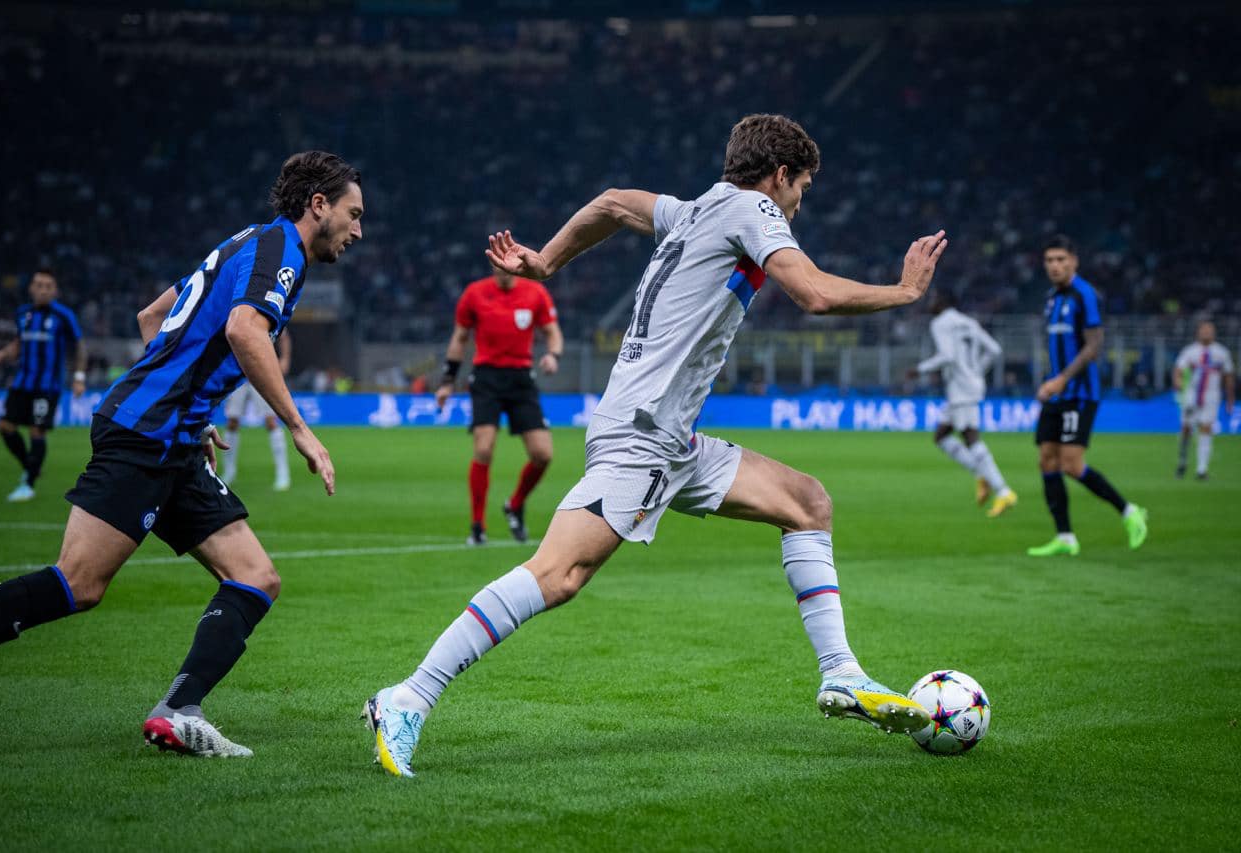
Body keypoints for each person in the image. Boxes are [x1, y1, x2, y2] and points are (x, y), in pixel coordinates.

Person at [364, 114, 947, 778]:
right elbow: (811, 293)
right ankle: (406, 696)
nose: (798, 203)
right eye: (802, 186)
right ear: (780, 175)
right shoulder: (755, 208)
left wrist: (547, 261)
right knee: (559, 574)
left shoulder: (692, 208)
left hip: (670, 440)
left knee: (807, 501)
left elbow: (613, 203)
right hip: (641, 440)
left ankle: (842, 672)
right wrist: (903, 292)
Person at [0, 151, 361, 757]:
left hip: (171, 437)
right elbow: (244, 332)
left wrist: (189, 409)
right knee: (79, 583)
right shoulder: (280, 253)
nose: (359, 230)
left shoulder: (246, 242)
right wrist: (300, 429)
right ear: (319, 205)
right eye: (354, 215)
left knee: (256, 577)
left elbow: (153, 316)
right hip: (145, 435)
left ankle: (178, 711)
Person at [1028, 235, 1147, 557]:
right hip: (1056, 392)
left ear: (1073, 261)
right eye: (1049, 260)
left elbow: (1094, 345)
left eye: (1061, 260)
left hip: (1079, 394)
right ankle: (1065, 537)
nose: (1055, 265)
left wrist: (1062, 381)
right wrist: (1050, 382)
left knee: (1071, 464)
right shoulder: (1051, 298)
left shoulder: (1085, 295)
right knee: (1046, 460)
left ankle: (1130, 511)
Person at [435, 264, 563, 545]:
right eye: (497, 264)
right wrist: (447, 381)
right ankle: (477, 526)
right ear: (492, 265)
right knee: (483, 448)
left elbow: (552, 332)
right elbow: (459, 338)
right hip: (487, 379)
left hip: (521, 379)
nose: (503, 270)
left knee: (543, 454)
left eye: (508, 265)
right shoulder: (475, 294)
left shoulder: (536, 293)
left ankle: (515, 504)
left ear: (516, 265)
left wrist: (553, 355)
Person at [912, 294, 1017, 516]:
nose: (930, 303)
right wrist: (976, 370)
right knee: (941, 436)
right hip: (969, 385)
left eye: (933, 300)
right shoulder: (968, 322)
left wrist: (920, 369)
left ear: (943, 303)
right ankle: (982, 476)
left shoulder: (940, 322)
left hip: (961, 390)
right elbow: (995, 349)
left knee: (971, 438)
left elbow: (947, 356)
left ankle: (1003, 491)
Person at [0, 269, 86, 502]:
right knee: (5, 426)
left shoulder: (64, 316)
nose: (43, 289)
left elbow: (79, 345)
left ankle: (28, 485)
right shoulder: (23, 314)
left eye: (48, 285)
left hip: (47, 386)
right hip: (22, 382)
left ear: (55, 290)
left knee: (36, 430)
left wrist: (79, 377)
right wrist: (2, 355)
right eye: (39, 284)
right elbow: (18, 343)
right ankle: (30, 466)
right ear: (31, 288)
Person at [220, 330, 293, 491]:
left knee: (270, 420)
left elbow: (284, 336)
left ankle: (283, 473)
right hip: (237, 372)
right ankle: (229, 471)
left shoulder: (263, 310)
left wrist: (285, 359)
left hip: (262, 370)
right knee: (232, 421)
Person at [1172, 320, 1234, 480]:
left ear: (1214, 332)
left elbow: (1228, 377)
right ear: (1198, 332)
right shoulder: (1190, 351)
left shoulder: (1222, 352)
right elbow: (1178, 370)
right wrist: (1178, 382)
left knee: (1206, 428)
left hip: (1211, 396)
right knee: (1186, 429)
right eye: (1204, 330)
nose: (1206, 332)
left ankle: (1201, 469)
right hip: (1191, 395)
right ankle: (1183, 460)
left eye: (1209, 330)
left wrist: (1230, 400)